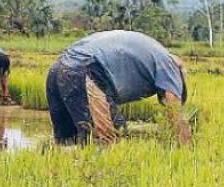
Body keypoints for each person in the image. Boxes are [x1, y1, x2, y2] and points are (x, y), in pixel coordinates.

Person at [46, 30, 190, 145]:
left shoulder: (155, 52)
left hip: (57, 68)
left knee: (68, 144)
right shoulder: (169, 66)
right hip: (85, 69)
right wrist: (186, 147)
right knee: (111, 139)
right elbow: (174, 110)